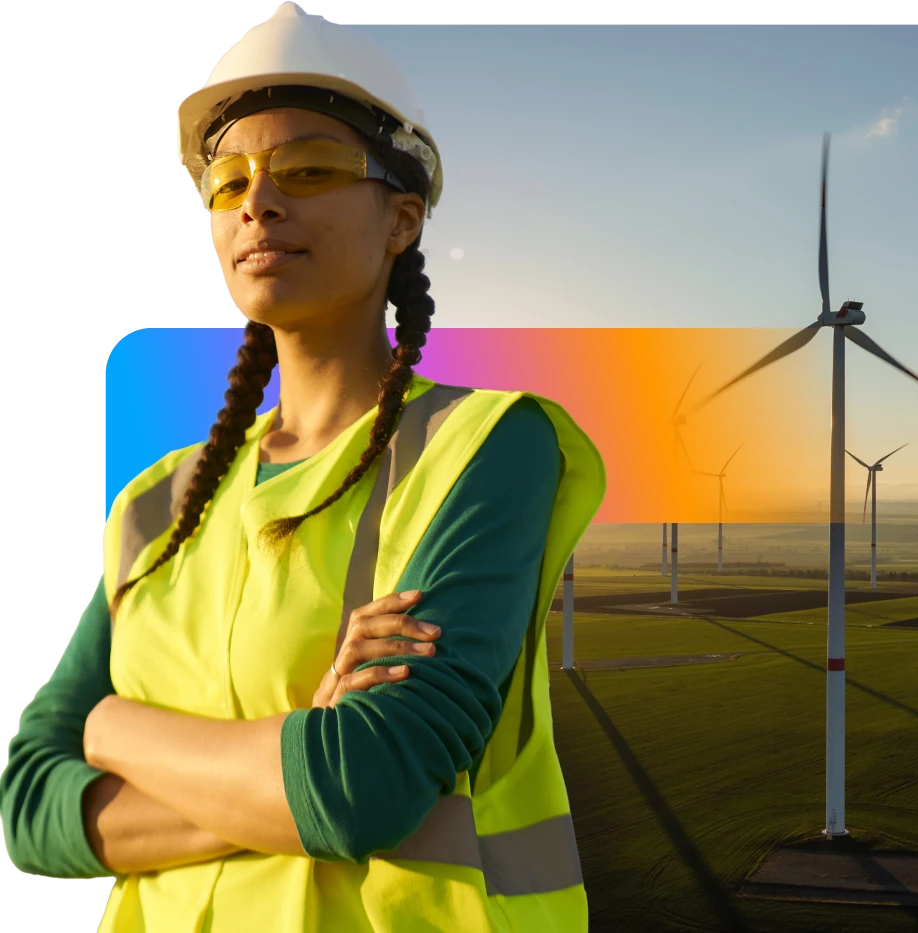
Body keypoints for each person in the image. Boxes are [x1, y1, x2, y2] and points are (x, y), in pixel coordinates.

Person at [0, 4, 606, 932]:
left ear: (403, 219)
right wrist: (284, 765)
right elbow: (31, 806)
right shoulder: (155, 503)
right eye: (228, 179)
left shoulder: (484, 446)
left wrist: (116, 730)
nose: (258, 204)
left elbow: (364, 785)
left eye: (310, 169)